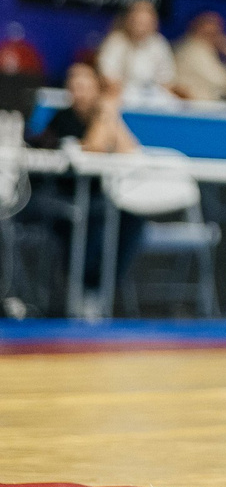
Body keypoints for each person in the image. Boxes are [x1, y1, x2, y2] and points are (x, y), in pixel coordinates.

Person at [20, 60, 144, 308]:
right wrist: (107, 109)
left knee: (133, 218)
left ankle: (98, 287)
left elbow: (132, 153)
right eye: (73, 85)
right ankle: (81, 289)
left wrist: (110, 112)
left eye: (85, 85)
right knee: (97, 215)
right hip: (60, 195)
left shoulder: (105, 118)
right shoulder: (62, 118)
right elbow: (94, 149)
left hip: (96, 196)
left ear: (96, 88)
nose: (79, 90)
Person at [94, 0, 175, 104]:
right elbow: (107, 76)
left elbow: (167, 78)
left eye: (145, 23)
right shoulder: (115, 42)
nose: (141, 27)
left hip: (153, 100)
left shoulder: (159, 43)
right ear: (128, 21)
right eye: (138, 22)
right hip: (120, 98)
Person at [169, 13, 226, 104]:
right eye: (207, 34)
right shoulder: (190, 50)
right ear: (194, 30)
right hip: (195, 109)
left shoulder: (214, 53)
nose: (215, 38)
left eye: (216, 33)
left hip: (214, 109)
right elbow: (225, 83)